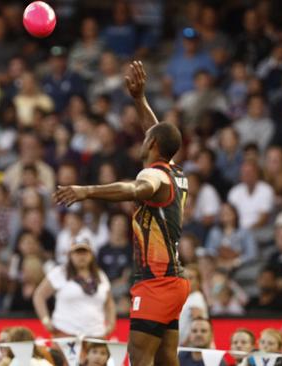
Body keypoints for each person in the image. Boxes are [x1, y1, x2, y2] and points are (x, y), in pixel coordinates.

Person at [54, 61, 189, 366]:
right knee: (167, 359)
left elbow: (134, 190)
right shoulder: (176, 173)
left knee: (139, 359)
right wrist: (140, 100)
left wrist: (86, 191)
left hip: (155, 281)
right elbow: (156, 134)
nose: (142, 139)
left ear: (151, 144)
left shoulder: (153, 177)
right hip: (173, 280)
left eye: (146, 138)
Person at [33, 240, 115, 338]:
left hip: (96, 335)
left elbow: (109, 302)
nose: (81, 256)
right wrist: (46, 320)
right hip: (65, 333)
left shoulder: (100, 275)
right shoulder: (60, 272)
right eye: (77, 253)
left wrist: (111, 324)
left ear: (91, 255)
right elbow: (39, 295)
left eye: (85, 252)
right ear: (70, 255)